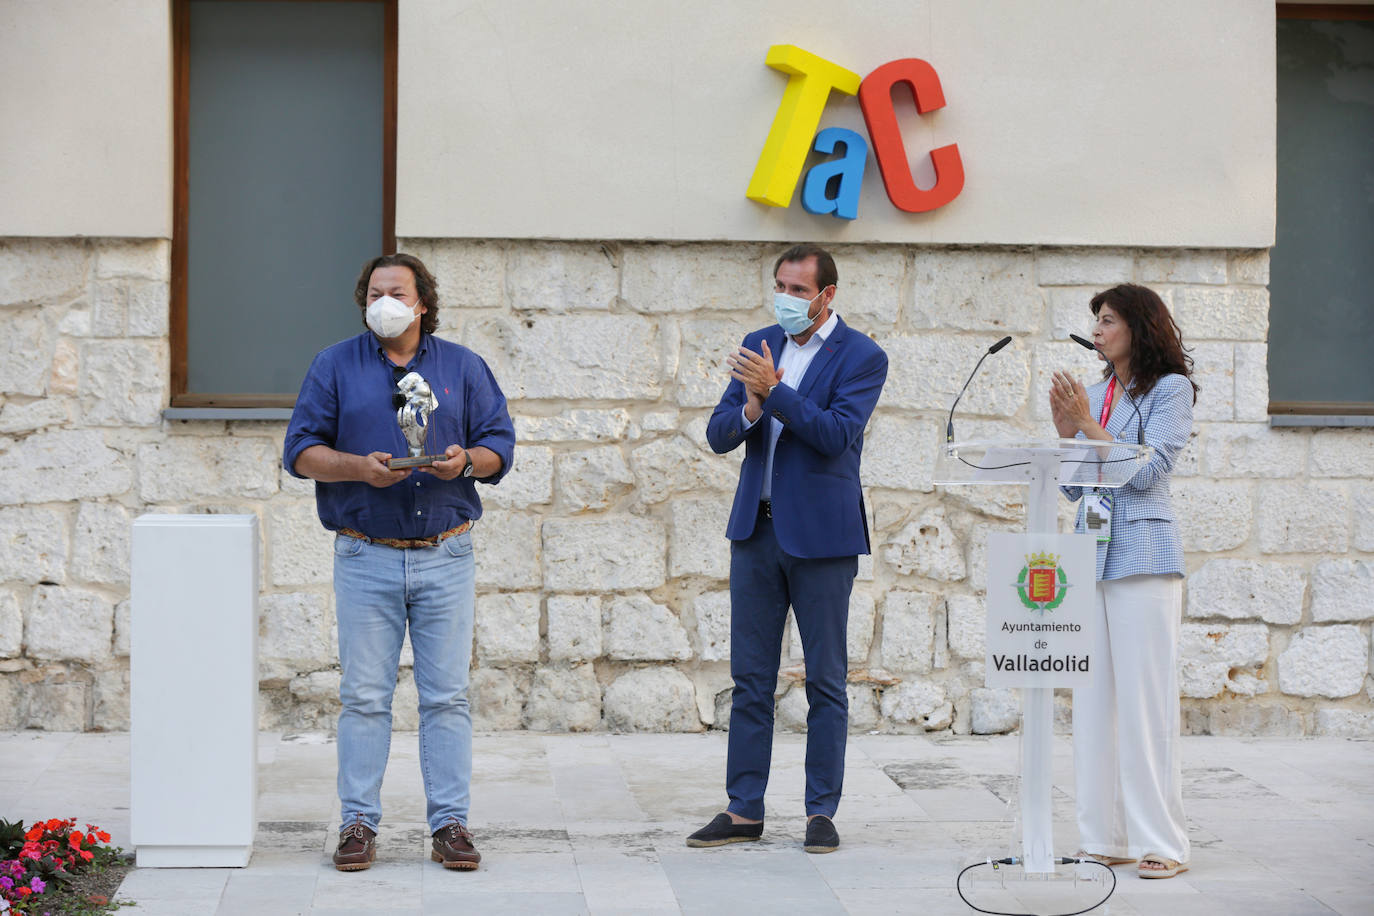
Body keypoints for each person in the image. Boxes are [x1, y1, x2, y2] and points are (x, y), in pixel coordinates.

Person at [283, 253, 515, 872]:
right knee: (362, 696)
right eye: (375, 291)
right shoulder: (334, 365)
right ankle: (358, 823)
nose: (384, 300)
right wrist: (357, 468)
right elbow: (300, 450)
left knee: (447, 697)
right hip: (366, 555)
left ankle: (450, 825)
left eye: (397, 291)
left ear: (422, 303)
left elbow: (500, 446)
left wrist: (465, 461)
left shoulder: (463, 367)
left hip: (447, 553)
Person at [688, 244, 888, 854]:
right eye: (781, 286)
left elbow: (834, 436)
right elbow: (719, 435)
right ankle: (743, 807)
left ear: (828, 295)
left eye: (799, 290)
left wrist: (774, 391)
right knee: (751, 678)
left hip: (823, 538)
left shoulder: (863, 356)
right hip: (757, 530)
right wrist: (750, 403)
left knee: (826, 680)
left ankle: (820, 811)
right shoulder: (760, 341)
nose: (787, 299)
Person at [1048, 283, 1197, 880]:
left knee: (1145, 703)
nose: (1100, 330)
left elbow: (1149, 470)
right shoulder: (1096, 392)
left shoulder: (1172, 390)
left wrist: (1088, 425)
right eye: (1097, 322)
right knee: (1094, 702)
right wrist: (1066, 434)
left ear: (1138, 326)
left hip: (1144, 555)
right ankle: (1104, 836)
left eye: (1108, 320)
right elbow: (1074, 487)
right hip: (1092, 555)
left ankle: (1162, 840)